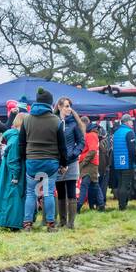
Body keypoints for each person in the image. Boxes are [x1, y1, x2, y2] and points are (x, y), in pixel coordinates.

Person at [17, 87, 67, 232]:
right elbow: (62, 146)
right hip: (50, 163)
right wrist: (63, 163)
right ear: (50, 104)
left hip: (32, 161)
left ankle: (27, 224)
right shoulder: (56, 121)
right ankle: (50, 224)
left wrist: (25, 159)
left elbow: (21, 144)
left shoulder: (27, 120)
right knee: (48, 193)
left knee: (30, 193)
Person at [53, 97, 86, 228]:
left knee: (71, 192)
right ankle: (62, 221)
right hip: (58, 162)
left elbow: (81, 142)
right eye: (66, 106)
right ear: (59, 107)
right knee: (60, 191)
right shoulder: (53, 122)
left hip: (71, 161)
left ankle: (71, 223)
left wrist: (74, 153)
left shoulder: (73, 123)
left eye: (70, 106)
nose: (69, 109)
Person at [0, 124, 24, 230]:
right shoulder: (16, 139)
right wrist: (15, 175)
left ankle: (8, 222)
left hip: (8, 172)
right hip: (12, 173)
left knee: (7, 196)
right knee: (12, 197)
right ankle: (11, 223)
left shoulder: (13, 138)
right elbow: (13, 160)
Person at [110, 115, 136, 209]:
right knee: (125, 184)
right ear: (126, 122)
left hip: (117, 163)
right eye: (131, 121)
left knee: (120, 184)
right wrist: (135, 160)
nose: (132, 123)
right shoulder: (129, 132)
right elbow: (132, 149)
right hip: (127, 162)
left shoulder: (116, 132)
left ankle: (122, 203)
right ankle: (122, 206)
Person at [78, 118, 103, 212]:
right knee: (94, 185)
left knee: (85, 185)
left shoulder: (91, 134)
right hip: (91, 163)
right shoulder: (90, 133)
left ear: (85, 124)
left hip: (89, 164)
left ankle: (78, 207)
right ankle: (101, 205)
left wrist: (83, 162)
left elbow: (92, 150)